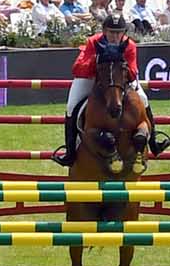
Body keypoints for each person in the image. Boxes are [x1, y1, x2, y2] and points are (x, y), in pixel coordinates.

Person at [50, 11, 143, 166]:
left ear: (124, 32)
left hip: (120, 81)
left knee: (144, 100)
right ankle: (70, 152)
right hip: (91, 78)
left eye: (118, 33)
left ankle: (153, 141)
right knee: (71, 106)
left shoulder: (130, 46)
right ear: (104, 31)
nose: (115, 36)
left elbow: (133, 72)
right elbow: (78, 68)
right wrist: (97, 61)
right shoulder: (93, 42)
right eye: (111, 32)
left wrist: (122, 68)